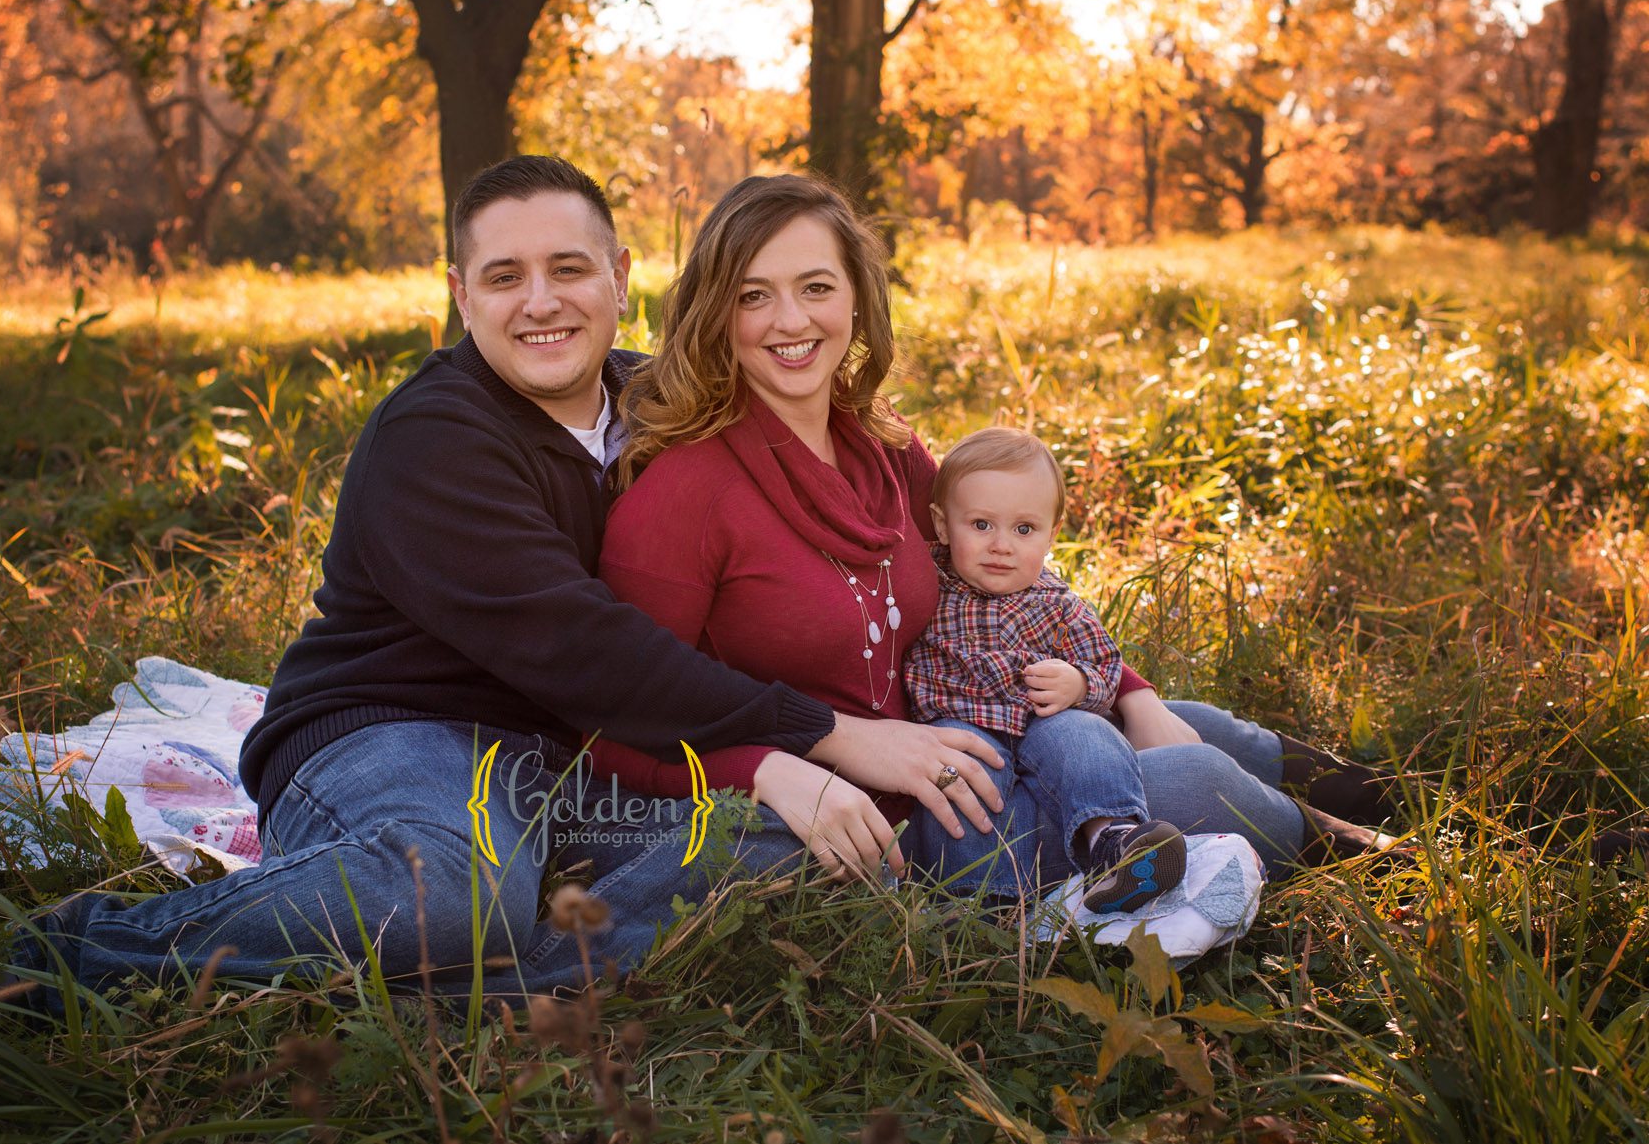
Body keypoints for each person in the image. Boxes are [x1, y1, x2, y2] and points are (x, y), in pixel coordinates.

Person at [2, 156, 1014, 1009]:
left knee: (809, 829)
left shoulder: (660, 400)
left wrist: (799, 760)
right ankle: (80, 955)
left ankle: (499, 990)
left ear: (621, 277)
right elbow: (585, 648)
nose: (540, 301)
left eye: (569, 268)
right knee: (445, 884)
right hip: (399, 738)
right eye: (504, 276)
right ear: (461, 293)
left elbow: (829, 480)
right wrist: (814, 734)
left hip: (575, 762)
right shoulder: (434, 440)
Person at [587, 172, 1397, 911]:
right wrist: (778, 770)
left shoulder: (882, 445)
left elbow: (992, 576)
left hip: (981, 728)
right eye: (754, 295)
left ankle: (1410, 798)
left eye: (816, 287)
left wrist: (1133, 691)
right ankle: (1371, 866)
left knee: (1192, 721)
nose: (791, 321)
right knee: (1190, 775)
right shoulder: (680, 498)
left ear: (858, 301)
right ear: (714, 310)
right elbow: (616, 733)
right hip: (918, 817)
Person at [903, 426, 1187, 913]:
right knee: (957, 778)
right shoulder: (926, 585)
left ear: (1052, 536)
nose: (1001, 546)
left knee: (1086, 736)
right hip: (959, 723)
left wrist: (1077, 683)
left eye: (1024, 529)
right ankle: (978, 900)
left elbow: (1105, 670)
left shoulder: (1058, 605)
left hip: (1042, 721)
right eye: (981, 525)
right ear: (943, 525)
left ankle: (1113, 841)